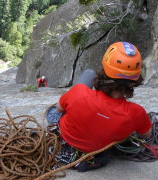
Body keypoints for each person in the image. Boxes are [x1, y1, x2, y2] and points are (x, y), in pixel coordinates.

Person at [55, 41, 152, 172]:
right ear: (135, 78)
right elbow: (146, 135)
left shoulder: (79, 92)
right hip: (96, 149)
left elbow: (59, 109)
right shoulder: (136, 112)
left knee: (88, 74)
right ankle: (95, 159)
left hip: (66, 137)